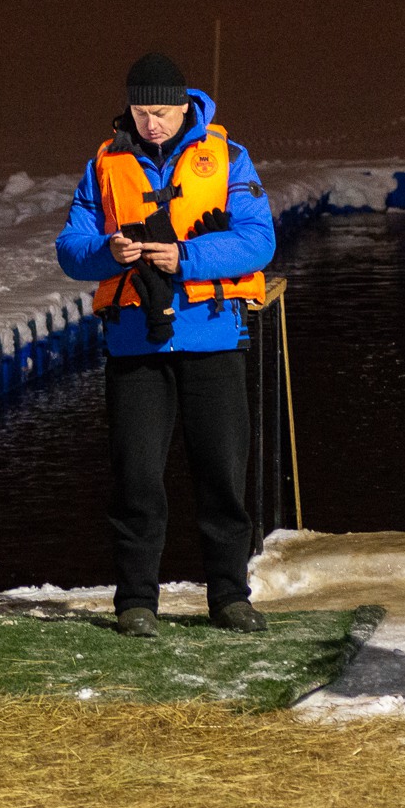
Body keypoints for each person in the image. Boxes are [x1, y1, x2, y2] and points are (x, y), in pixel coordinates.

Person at [54, 52, 277, 639]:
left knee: (222, 475)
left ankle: (230, 597)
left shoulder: (228, 157)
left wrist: (188, 256)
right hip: (135, 345)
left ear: (185, 107)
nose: (152, 123)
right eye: (141, 111)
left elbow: (259, 241)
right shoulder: (104, 164)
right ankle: (135, 603)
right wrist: (109, 252)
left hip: (212, 335)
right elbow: (70, 247)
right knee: (135, 479)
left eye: (162, 111)